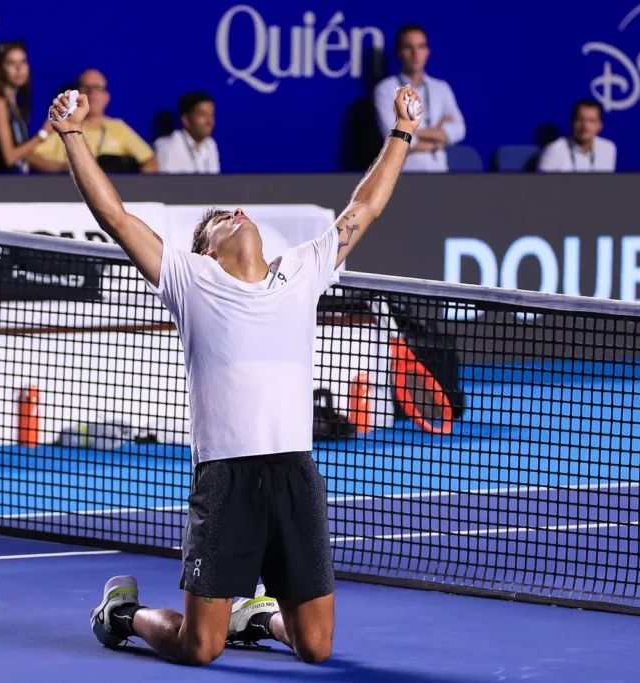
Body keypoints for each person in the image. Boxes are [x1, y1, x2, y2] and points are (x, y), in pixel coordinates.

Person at [47, 83, 423, 665]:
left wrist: (401, 130)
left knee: (317, 648)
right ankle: (121, 614)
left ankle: (258, 617)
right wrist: (72, 134)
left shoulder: (302, 270)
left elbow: (365, 208)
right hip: (225, 477)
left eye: (236, 211)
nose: (236, 215)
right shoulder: (189, 280)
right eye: (220, 219)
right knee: (201, 648)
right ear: (205, 250)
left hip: (295, 473)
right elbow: (116, 218)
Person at [373, 24, 465, 173]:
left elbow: (459, 129)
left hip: (439, 173)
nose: (415, 53)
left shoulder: (441, 88)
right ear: (398, 52)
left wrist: (413, 131)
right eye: (408, 47)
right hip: (402, 175)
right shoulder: (386, 89)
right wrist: (437, 137)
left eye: (421, 46)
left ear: (427, 51)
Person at [35, 69, 158, 173]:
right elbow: (30, 156)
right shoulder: (63, 126)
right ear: (74, 95)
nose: (92, 93)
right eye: (86, 87)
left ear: (107, 97)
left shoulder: (118, 127)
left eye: (99, 88)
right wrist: (67, 169)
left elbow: (150, 162)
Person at [0, 41, 60, 174]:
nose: (19, 68)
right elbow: (10, 157)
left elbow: (23, 154)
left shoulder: (16, 104)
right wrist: (44, 134)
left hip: (17, 183)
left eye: (23, 62)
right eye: (11, 63)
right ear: (0, 68)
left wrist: (63, 167)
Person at [537, 99, 617, 173]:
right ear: (572, 122)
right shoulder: (554, 150)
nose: (585, 126)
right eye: (580, 120)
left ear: (600, 125)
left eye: (591, 121)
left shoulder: (608, 149)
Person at [154, 91, 220, 174]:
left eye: (211, 115)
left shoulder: (210, 144)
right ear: (186, 120)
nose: (210, 122)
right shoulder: (168, 147)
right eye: (203, 115)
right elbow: (164, 185)